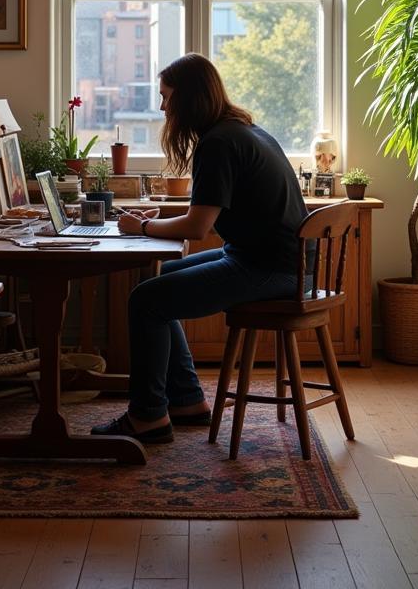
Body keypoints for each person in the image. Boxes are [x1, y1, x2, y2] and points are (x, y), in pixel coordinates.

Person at [92, 53, 308, 443]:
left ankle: (147, 416)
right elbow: (204, 214)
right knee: (159, 280)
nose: (161, 107)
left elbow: (197, 226)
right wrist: (153, 223)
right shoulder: (243, 130)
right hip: (270, 259)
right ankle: (188, 400)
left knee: (146, 301)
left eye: (166, 97)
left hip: (270, 269)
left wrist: (142, 226)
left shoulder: (219, 143)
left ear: (188, 99)